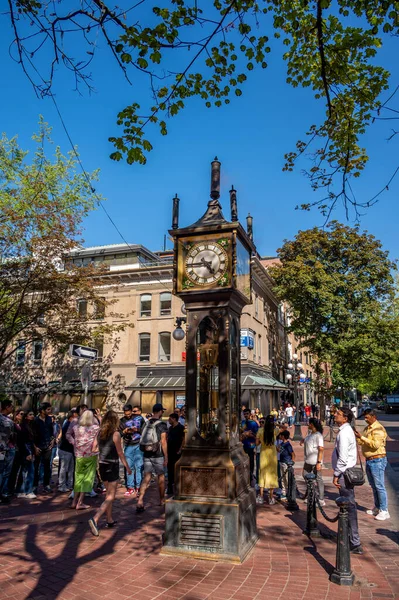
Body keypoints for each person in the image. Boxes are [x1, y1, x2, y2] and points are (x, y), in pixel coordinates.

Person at [88, 411, 132, 536]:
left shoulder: (100, 433)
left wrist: (102, 450)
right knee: (111, 496)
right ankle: (95, 518)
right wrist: (127, 467)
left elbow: (93, 448)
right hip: (112, 465)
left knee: (108, 495)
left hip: (102, 464)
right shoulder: (116, 434)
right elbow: (120, 453)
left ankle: (109, 519)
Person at [332, 407, 362, 554]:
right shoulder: (347, 431)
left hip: (344, 474)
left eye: (338, 414)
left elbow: (343, 458)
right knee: (348, 506)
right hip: (346, 473)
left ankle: (354, 541)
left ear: (345, 418)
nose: (335, 415)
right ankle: (351, 537)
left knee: (348, 507)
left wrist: (336, 474)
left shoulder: (344, 433)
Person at [355, 408, 389, 521]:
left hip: (377, 460)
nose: (365, 419)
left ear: (373, 417)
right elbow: (362, 442)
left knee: (379, 486)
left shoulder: (378, 429)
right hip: (369, 460)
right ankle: (377, 507)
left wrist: (362, 438)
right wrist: (358, 437)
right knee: (374, 486)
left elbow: (375, 445)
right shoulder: (367, 428)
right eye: (364, 417)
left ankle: (384, 510)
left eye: (367, 417)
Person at [136, 403, 168, 512]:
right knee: (161, 476)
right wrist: (166, 456)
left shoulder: (146, 423)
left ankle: (140, 500)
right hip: (158, 454)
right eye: (162, 411)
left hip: (146, 453)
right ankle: (162, 500)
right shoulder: (162, 425)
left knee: (147, 477)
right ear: (159, 412)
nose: (162, 413)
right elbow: (163, 441)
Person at [67, 409, 99, 510]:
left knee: (79, 478)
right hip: (91, 455)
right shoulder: (95, 428)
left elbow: (68, 435)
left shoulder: (76, 427)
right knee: (87, 478)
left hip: (79, 454)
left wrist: (74, 442)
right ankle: (80, 502)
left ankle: (74, 502)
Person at [119, 404, 145, 497]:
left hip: (138, 444)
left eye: (130, 414)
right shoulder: (121, 421)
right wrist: (125, 431)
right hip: (128, 445)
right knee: (129, 467)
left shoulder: (139, 418)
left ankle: (138, 486)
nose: (128, 415)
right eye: (126, 414)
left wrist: (137, 429)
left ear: (132, 411)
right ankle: (130, 487)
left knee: (139, 466)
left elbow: (144, 430)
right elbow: (119, 434)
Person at [301, 418, 325, 506]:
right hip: (308, 460)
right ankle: (311, 494)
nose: (308, 425)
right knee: (305, 474)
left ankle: (321, 499)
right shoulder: (310, 434)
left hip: (315, 460)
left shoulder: (318, 435)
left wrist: (319, 462)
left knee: (318, 479)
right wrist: (303, 440)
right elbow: (308, 440)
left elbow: (321, 449)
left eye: (309, 423)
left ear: (312, 424)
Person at [256, 415, 278, 505]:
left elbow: (257, 443)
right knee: (272, 473)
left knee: (262, 473)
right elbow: (285, 427)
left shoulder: (260, 431)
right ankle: (271, 497)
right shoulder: (275, 431)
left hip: (263, 454)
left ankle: (261, 496)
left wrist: (261, 441)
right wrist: (276, 424)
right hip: (272, 455)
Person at [33, 402, 54, 494]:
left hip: (48, 446)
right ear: (42, 411)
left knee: (47, 466)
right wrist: (34, 447)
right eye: (48, 409)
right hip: (38, 446)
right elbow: (32, 435)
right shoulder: (35, 420)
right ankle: (34, 486)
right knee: (36, 467)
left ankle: (46, 485)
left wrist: (52, 440)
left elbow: (51, 432)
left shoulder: (49, 419)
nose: (50, 411)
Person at [16, 411, 36, 499]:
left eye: (33, 414)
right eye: (30, 415)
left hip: (29, 450)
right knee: (28, 471)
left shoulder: (29, 426)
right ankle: (26, 490)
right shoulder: (23, 427)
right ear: (26, 417)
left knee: (26, 471)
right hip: (26, 450)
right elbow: (22, 441)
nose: (32, 416)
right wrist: (27, 453)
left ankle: (22, 490)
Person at [58, 411, 78, 492]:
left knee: (70, 468)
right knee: (64, 468)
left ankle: (69, 484)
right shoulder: (68, 425)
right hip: (65, 450)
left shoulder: (71, 424)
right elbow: (67, 437)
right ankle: (62, 485)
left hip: (70, 450)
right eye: (76, 416)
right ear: (72, 417)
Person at [0, 400, 15, 503]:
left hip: (4, 449)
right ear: (7, 407)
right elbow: (12, 435)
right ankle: (3, 493)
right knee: (4, 472)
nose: (12, 409)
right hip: (5, 449)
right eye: (11, 407)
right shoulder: (8, 421)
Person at [7, 408, 24, 496]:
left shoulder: (21, 425)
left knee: (17, 470)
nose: (22, 415)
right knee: (12, 471)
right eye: (21, 414)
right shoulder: (12, 424)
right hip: (13, 449)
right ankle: (9, 489)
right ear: (16, 414)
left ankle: (12, 489)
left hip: (20, 450)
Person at [167, 413, 185, 496]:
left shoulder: (181, 428)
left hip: (177, 451)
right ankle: (170, 486)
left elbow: (183, 439)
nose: (169, 420)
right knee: (169, 469)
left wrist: (180, 449)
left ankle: (177, 486)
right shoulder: (170, 428)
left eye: (170, 419)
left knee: (176, 468)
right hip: (170, 451)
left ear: (174, 419)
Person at [240, 408, 259, 485]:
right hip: (243, 445)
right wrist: (244, 434)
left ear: (250, 414)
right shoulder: (242, 423)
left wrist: (251, 435)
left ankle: (250, 476)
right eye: (244, 414)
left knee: (251, 461)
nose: (246, 415)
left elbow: (257, 436)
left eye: (247, 414)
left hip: (251, 445)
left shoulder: (253, 423)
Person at [277, 430, 295, 500]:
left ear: (283, 436)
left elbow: (293, 454)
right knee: (282, 478)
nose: (280, 437)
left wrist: (292, 462)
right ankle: (284, 492)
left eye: (281, 435)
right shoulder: (281, 444)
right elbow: (279, 451)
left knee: (286, 478)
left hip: (286, 463)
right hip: (281, 462)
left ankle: (288, 492)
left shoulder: (288, 445)